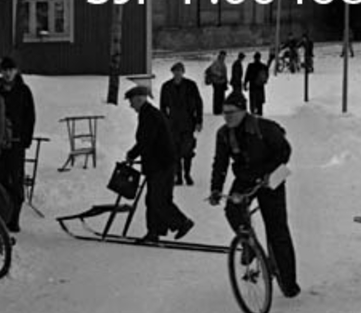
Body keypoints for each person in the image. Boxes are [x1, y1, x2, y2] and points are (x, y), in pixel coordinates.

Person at [209, 92, 299, 298]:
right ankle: (250, 245)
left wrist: (270, 173)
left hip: (270, 179)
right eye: (224, 113)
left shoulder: (264, 128)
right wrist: (215, 188)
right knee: (233, 209)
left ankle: (288, 281)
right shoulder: (223, 134)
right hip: (245, 177)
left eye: (231, 112)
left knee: (277, 229)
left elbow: (284, 151)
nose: (227, 117)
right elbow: (220, 162)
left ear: (243, 111)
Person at [124, 85, 194, 244]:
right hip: (160, 164)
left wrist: (132, 154)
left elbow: (146, 141)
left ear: (139, 99)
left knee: (158, 199)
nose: (130, 105)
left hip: (161, 164)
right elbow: (146, 141)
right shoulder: (148, 113)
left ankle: (182, 222)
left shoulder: (150, 115)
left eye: (131, 101)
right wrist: (134, 154)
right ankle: (154, 232)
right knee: (154, 199)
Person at [0, 56, 35, 233]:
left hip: (17, 143)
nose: (8, 73)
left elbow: (30, 116)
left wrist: (25, 139)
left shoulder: (23, 91)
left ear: (16, 71)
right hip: (0, 144)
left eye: (11, 70)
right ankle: (2, 216)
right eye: (5, 70)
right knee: (0, 180)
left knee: (16, 180)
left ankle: (14, 218)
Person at [159, 62, 203, 186]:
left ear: (183, 72)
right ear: (172, 73)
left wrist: (199, 121)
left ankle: (187, 174)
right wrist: (164, 123)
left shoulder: (191, 85)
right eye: (175, 71)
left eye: (179, 71)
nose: (177, 74)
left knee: (188, 151)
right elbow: (162, 106)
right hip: (173, 124)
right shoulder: (166, 86)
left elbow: (198, 103)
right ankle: (178, 176)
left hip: (188, 123)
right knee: (175, 151)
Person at [243, 51, 268, 116]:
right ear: (260, 58)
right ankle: (259, 115)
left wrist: (245, 84)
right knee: (259, 103)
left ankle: (253, 114)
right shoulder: (263, 66)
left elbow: (247, 76)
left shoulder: (251, 66)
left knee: (253, 102)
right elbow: (266, 77)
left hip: (253, 87)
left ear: (254, 58)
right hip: (260, 87)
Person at [204, 50, 229, 115]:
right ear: (220, 55)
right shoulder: (216, 62)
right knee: (217, 97)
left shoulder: (222, 62)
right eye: (223, 55)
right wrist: (219, 74)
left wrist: (226, 81)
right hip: (217, 82)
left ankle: (220, 110)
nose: (224, 57)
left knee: (221, 97)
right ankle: (217, 111)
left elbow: (225, 73)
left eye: (224, 56)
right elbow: (213, 70)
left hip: (222, 82)